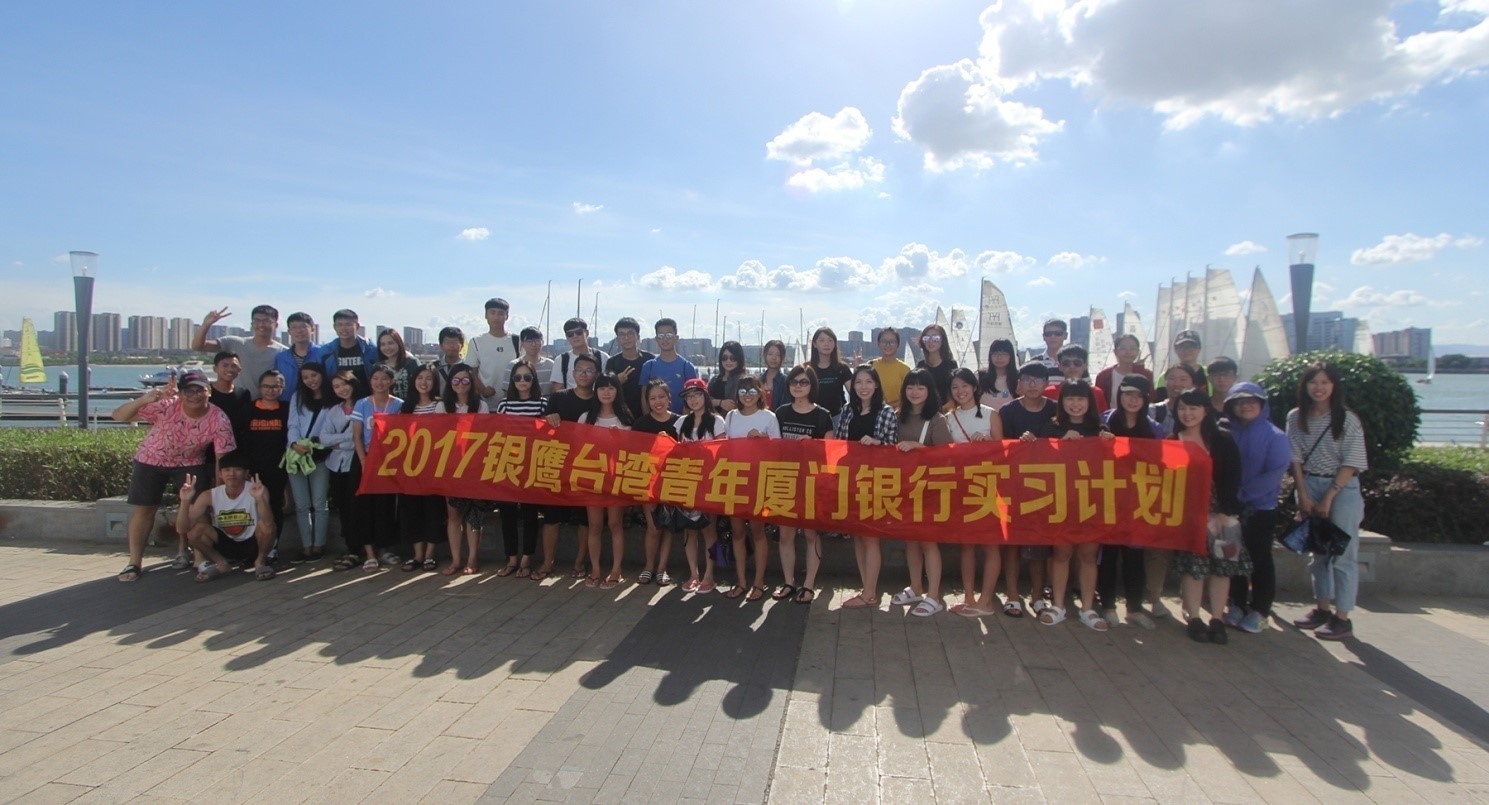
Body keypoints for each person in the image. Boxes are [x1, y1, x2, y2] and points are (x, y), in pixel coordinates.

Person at [110, 369, 236, 582]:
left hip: (190, 463)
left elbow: (221, 458)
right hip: (150, 459)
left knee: (199, 511)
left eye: (200, 390)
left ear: (209, 392)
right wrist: (144, 400)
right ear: (181, 393)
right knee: (145, 510)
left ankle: (200, 559)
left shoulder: (219, 418)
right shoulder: (168, 406)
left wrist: (220, 487)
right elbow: (118, 415)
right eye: (189, 391)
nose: (195, 395)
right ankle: (134, 562)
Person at [1287, 362, 1369, 641]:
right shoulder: (1295, 417)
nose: (1318, 388)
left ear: (1334, 386)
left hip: (1342, 488)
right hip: (1309, 483)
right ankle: (1322, 608)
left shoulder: (1347, 419)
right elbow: (1295, 458)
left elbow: (1352, 461)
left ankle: (1342, 617)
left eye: (1325, 382)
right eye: (1313, 382)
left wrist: (1330, 496)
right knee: (1318, 553)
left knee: (1343, 554)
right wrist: (1303, 494)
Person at [1026, 381, 1114, 631]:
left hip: (1091, 500)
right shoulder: (1051, 427)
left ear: (1089, 402)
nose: (1075, 404)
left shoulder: (1100, 429)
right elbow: (1039, 460)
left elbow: (1113, 464)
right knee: (1061, 553)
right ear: (1062, 402)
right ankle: (1058, 605)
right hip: (1061, 500)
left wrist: (1109, 443)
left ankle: (1087, 608)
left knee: (1088, 555)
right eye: (1070, 399)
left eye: (1081, 399)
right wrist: (1061, 443)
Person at [1171, 389, 1247, 645]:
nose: (1187, 413)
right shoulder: (1173, 440)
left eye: (1193, 408)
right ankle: (1194, 618)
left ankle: (1216, 618)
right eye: (1182, 408)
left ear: (1205, 411)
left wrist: (1224, 511)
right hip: (1189, 516)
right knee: (1193, 568)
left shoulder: (1222, 439)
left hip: (1223, 515)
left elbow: (1233, 477)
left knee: (1222, 568)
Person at [1221, 382, 1291, 634]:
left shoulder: (1276, 436)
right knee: (1232, 556)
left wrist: (1242, 495)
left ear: (1262, 404)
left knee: (1260, 559)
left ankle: (1260, 610)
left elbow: (1274, 474)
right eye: (1239, 402)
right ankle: (1237, 604)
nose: (1245, 406)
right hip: (1230, 509)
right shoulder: (1227, 432)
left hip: (1260, 509)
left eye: (1251, 401)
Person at [1098, 375, 1161, 629]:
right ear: (1119, 395)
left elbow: (1162, 462)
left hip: (1139, 499)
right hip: (1107, 497)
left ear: (1145, 399)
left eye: (1138, 396)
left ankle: (1134, 608)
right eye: (1127, 394)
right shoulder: (1104, 421)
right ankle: (1107, 606)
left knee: (1135, 556)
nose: (1132, 400)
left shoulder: (1154, 428)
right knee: (1108, 554)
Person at [891, 369, 953, 617]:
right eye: (910, 387)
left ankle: (934, 596)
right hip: (904, 487)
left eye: (920, 387)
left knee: (928, 542)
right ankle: (916, 586)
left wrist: (920, 448)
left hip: (929, 488)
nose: (914, 392)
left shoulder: (937, 420)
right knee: (910, 541)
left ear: (929, 391)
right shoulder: (897, 416)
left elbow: (948, 455)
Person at [836, 365, 899, 609]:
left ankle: (870, 593)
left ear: (876, 385)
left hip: (874, 480)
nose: (863, 387)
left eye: (868, 382)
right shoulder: (847, 410)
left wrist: (877, 442)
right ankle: (866, 586)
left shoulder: (886, 412)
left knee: (871, 538)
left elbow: (893, 448)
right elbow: (839, 444)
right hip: (851, 479)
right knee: (858, 536)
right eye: (859, 382)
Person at [944, 367, 1004, 617]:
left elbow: (1004, 451)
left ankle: (986, 600)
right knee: (966, 545)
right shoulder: (948, 418)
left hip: (988, 485)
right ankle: (969, 596)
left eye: (965, 386)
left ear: (975, 387)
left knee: (990, 545)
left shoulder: (991, 414)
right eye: (955, 387)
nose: (960, 391)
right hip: (961, 486)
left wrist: (988, 443)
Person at [998, 362, 1057, 616]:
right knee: (1012, 544)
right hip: (1014, 484)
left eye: (1038, 379)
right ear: (1019, 383)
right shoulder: (1008, 411)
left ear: (1047, 383)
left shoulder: (1056, 410)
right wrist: (1017, 444)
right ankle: (1012, 595)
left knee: (1039, 544)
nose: (1033, 384)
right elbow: (1000, 446)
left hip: (1046, 486)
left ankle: (1037, 595)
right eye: (1027, 379)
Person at [774, 365, 834, 605]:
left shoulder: (822, 415)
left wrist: (813, 444)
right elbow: (772, 447)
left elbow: (830, 452)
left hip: (812, 482)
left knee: (811, 534)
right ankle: (788, 582)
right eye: (793, 382)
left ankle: (809, 584)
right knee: (785, 534)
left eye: (803, 382)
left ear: (812, 385)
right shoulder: (780, 412)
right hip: (785, 480)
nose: (798, 386)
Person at [539, 353, 601, 581]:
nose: (584, 374)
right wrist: (549, 418)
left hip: (588, 466)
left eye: (589, 370)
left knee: (584, 519)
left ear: (596, 375)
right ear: (572, 373)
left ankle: (579, 562)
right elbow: (540, 426)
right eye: (580, 370)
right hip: (558, 464)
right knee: (552, 517)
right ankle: (547, 562)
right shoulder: (558, 397)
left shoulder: (599, 400)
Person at [177, 452, 278, 582]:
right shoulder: (210, 495)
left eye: (237, 469)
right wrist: (185, 501)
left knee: (267, 527)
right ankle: (221, 564)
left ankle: (260, 563)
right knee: (194, 532)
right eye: (227, 470)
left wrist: (260, 499)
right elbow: (182, 529)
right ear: (220, 474)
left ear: (246, 473)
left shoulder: (257, 489)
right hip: (226, 543)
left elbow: (269, 522)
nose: (232, 474)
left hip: (254, 542)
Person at [723, 375, 780, 602]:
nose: (747, 395)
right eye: (743, 391)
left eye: (752, 390)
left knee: (758, 531)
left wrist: (763, 438)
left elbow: (779, 450)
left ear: (760, 393)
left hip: (759, 479)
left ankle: (758, 582)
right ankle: (741, 581)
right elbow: (724, 447)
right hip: (734, 479)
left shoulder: (769, 417)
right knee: (737, 532)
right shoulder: (730, 416)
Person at [579, 372, 634, 588]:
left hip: (615, 478)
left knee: (615, 523)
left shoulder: (625, 418)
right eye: (602, 388)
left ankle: (616, 570)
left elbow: (631, 451)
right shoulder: (586, 417)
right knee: (594, 525)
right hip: (592, 477)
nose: (607, 392)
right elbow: (578, 446)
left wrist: (618, 439)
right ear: (596, 391)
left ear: (617, 391)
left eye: (611, 387)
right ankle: (595, 569)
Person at [494, 361, 547, 578]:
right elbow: (497, 434)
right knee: (506, 514)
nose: (522, 381)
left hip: (531, 465)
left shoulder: (543, 404)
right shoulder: (504, 405)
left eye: (527, 377)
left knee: (529, 514)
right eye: (517, 377)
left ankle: (526, 558)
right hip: (507, 464)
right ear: (512, 381)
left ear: (533, 380)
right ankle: (511, 559)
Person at [350, 365, 404, 571]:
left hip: (388, 463)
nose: (379, 383)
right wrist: (363, 460)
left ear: (392, 381)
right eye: (375, 378)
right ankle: (370, 554)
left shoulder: (398, 405)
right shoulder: (362, 404)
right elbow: (356, 435)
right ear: (370, 381)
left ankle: (384, 550)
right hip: (365, 460)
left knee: (386, 507)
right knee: (364, 507)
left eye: (384, 378)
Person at [676, 378, 724, 593]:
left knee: (708, 529)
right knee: (689, 530)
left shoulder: (716, 421)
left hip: (709, 481)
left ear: (705, 395)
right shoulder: (681, 422)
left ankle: (709, 575)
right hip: (686, 480)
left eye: (696, 395)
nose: (693, 400)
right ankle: (693, 574)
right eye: (689, 396)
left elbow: (723, 451)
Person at [440, 363, 489, 575]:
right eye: (456, 380)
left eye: (465, 380)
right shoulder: (442, 407)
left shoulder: (481, 405)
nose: (460, 384)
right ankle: (456, 559)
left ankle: (472, 558)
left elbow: (485, 434)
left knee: (473, 515)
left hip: (474, 466)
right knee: (453, 515)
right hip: (449, 466)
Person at [632, 379, 680, 586]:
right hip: (649, 480)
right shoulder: (641, 423)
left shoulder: (679, 421)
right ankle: (649, 566)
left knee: (668, 526)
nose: (657, 401)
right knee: (653, 526)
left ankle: (662, 568)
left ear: (669, 398)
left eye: (661, 397)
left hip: (673, 479)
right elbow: (633, 452)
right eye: (652, 398)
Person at [397, 365, 445, 571]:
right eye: (420, 378)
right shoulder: (405, 406)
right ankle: (417, 554)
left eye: (428, 378)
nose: (423, 382)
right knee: (411, 509)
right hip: (410, 467)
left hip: (433, 466)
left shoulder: (439, 405)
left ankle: (430, 554)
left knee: (433, 509)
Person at [286, 362, 332, 562]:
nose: (310, 380)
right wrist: (294, 444)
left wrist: (316, 444)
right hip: (296, 455)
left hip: (319, 455)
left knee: (320, 503)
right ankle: (306, 546)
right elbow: (292, 424)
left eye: (314, 375)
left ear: (321, 374)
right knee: (301, 505)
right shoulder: (298, 397)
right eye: (305, 377)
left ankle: (319, 545)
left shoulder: (332, 397)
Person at [192, 305, 286, 399]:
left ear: (276, 325)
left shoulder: (283, 352)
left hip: (266, 404)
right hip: (237, 401)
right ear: (252, 324)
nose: (261, 325)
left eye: (266, 321)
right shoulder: (236, 343)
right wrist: (206, 324)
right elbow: (198, 346)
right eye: (257, 320)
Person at [239, 369, 290, 540]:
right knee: (252, 508)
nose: (270, 390)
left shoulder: (287, 409)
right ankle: (252, 546)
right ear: (260, 387)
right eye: (266, 386)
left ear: (282, 388)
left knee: (274, 507)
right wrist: (244, 468)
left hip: (278, 468)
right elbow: (241, 440)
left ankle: (272, 546)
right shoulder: (248, 409)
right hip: (253, 469)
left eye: (275, 386)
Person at [321, 371, 362, 571]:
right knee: (342, 507)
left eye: (344, 384)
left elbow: (361, 440)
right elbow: (324, 438)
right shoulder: (334, 410)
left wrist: (339, 442)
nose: (341, 389)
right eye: (336, 386)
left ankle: (357, 549)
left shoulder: (363, 406)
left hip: (356, 464)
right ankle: (349, 546)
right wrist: (348, 439)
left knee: (356, 508)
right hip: (335, 465)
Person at [637, 317, 698, 413]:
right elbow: (644, 396)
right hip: (654, 419)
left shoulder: (687, 367)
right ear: (656, 339)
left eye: (669, 335)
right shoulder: (648, 366)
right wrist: (648, 418)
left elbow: (692, 396)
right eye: (661, 335)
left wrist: (683, 420)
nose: (665, 339)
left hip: (681, 419)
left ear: (676, 338)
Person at [468, 297, 519, 408]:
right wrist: (483, 390)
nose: (496, 317)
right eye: (492, 312)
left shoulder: (517, 341)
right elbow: (472, 372)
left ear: (507, 316)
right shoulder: (476, 341)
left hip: (513, 404)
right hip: (485, 405)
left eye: (501, 313)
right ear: (486, 315)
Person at [319, 309, 380, 394]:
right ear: (334, 327)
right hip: (338, 399)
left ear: (357, 326)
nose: (344, 328)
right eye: (339, 325)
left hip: (367, 398)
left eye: (348, 324)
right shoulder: (326, 351)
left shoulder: (370, 349)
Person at [605, 317, 655, 418]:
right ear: (617, 339)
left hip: (649, 414)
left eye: (630, 333)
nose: (626, 338)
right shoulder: (612, 362)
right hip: (621, 415)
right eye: (622, 334)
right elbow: (605, 389)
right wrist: (617, 381)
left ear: (638, 336)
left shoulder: (650, 359)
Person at [1042, 344, 1108, 413]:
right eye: (1066, 363)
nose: (1072, 366)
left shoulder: (1096, 393)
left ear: (1085, 366)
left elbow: (1104, 417)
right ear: (1060, 366)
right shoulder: (1048, 393)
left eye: (1077, 363)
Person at [274, 311, 325, 400]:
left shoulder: (323, 353)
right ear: (289, 332)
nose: (299, 331)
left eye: (303, 327)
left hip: (318, 403)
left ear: (313, 329)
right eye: (294, 327)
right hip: (287, 403)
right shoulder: (281, 358)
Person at [550, 317, 608, 393]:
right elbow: (558, 390)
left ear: (587, 333)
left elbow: (608, 384)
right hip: (570, 400)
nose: (575, 336)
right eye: (570, 334)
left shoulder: (602, 357)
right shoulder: (561, 360)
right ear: (567, 337)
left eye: (579, 332)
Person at [1093, 333, 1152, 407]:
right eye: (1123, 348)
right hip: (1111, 414)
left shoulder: (1147, 374)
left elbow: (1152, 399)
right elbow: (1098, 403)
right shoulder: (1103, 376)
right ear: (1115, 352)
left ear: (1138, 351)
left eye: (1132, 348)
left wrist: (1140, 370)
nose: (1128, 352)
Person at [809, 327, 853, 420]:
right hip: (812, 417)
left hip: (837, 417)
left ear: (835, 344)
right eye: (822, 340)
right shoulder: (807, 369)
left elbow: (854, 392)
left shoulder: (842, 368)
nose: (826, 344)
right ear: (814, 344)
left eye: (830, 340)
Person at [208, 350, 251, 444]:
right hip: (209, 445)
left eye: (234, 366)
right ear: (215, 369)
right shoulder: (206, 393)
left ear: (239, 370)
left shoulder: (244, 394)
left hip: (236, 445)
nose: (230, 369)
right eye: (225, 365)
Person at [1151, 364, 1205, 437]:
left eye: (1183, 379)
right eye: (1172, 378)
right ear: (1164, 382)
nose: (1176, 384)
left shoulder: (1202, 412)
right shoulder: (1152, 411)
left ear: (1193, 384)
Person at [914, 324, 957, 403]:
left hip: (945, 409)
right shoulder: (920, 365)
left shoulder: (951, 365)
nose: (930, 341)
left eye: (935, 338)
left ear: (943, 340)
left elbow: (953, 395)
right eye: (926, 338)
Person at [869, 328, 911, 409]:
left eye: (892, 342)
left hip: (896, 412)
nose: (887, 345)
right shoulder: (871, 365)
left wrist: (888, 408)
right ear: (878, 344)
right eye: (884, 341)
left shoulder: (905, 369)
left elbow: (908, 396)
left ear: (898, 344)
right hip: (873, 410)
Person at [374, 329, 420, 400]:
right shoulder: (378, 367)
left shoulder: (412, 363)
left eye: (390, 343)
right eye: (383, 344)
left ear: (399, 343)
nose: (387, 347)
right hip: (387, 406)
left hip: (410, 405)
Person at [510, 327, 555, 398]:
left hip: (546, 404)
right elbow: (508, 391)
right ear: (522, 343)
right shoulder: (513, 365)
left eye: (537, 340)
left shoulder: (551, 365)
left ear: (542, 343)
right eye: (529, 341)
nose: (533, 344)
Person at [708, 341, 747, 415]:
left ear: (739, 359)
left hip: (736, 419)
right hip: (714, 419)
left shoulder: (744, 381)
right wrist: (720, 402)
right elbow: (705, 400)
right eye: (724, 358)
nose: (728, 361)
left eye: (733, 358)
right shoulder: (714, 380)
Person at [758, 339, 789, 410]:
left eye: (778, 355)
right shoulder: (758, 380)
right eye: (770, 354)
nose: (774, 358)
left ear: (782, 357)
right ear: (765, 355)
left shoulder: (786, 381)